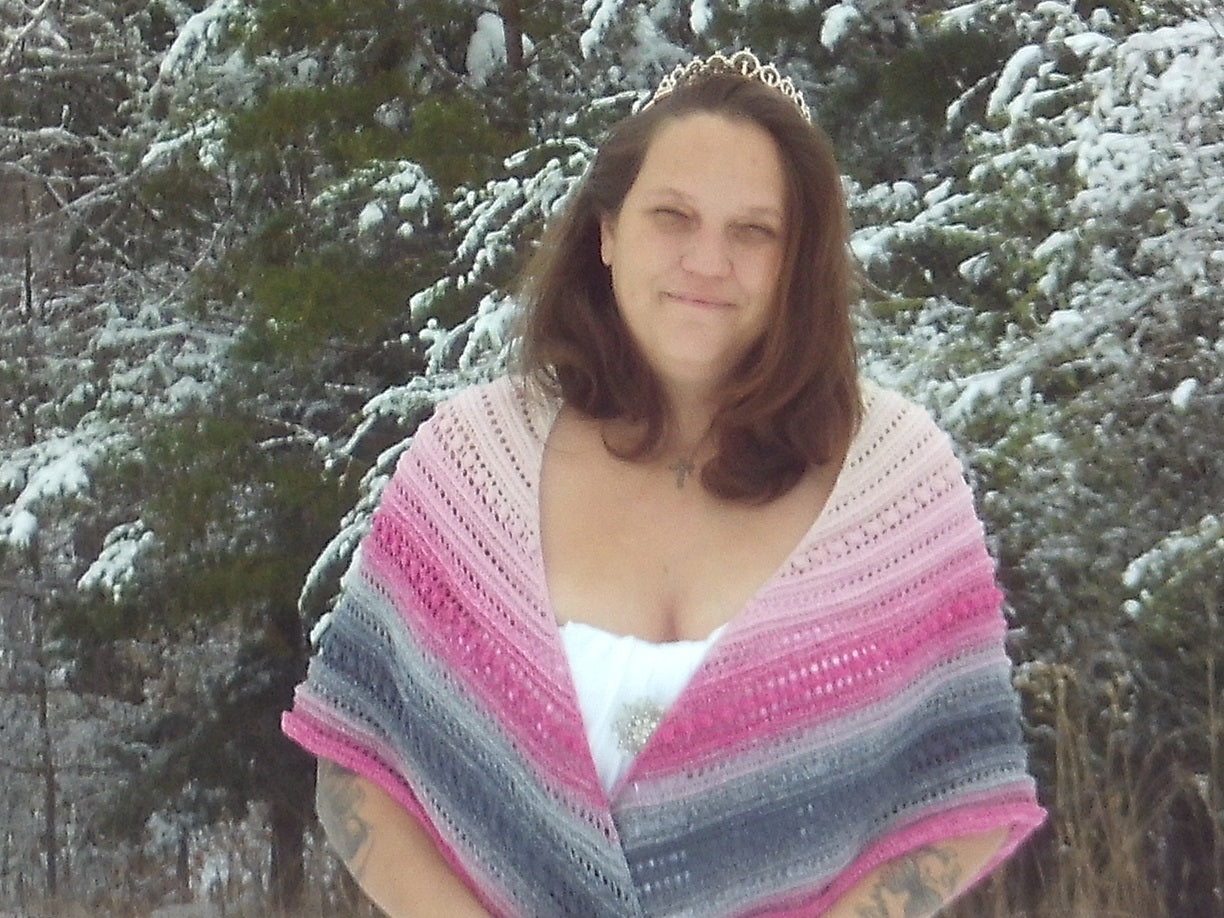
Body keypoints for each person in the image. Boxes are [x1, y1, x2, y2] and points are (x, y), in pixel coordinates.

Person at [282, 50, 1045, 917]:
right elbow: (356, 766)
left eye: (754, 231)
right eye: (672, 216)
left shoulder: (894, 480)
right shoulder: (470, 464)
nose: (707, 261)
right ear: (606, 232)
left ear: (797, 261)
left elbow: (962, 794)